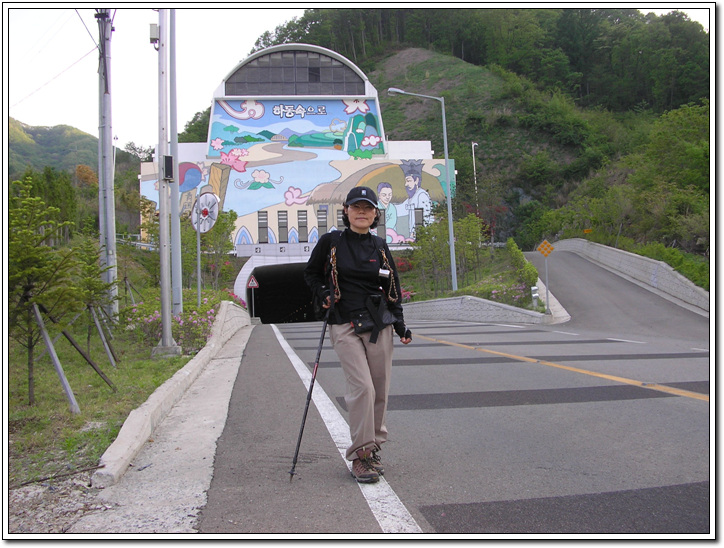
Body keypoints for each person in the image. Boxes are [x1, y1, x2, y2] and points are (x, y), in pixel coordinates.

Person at [304, 186, 412, 483]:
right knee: (362, 388)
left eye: (367, 207)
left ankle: (374, 447)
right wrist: (324, 291)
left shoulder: (379, 245)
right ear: (346, 211)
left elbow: (393, 287)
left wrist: (400, 324)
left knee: (379, 390)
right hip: (344, 323)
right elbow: (311, 273)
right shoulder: (332, 242)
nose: (362, 212)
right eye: (356, 207)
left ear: (376, 213)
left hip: (379, 326)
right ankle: (361, 455)